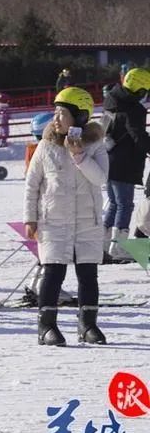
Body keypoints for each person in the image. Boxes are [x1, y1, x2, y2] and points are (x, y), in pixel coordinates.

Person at [24, 87, 108, 346]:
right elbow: (32, 183)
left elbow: (100, 178)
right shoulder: (45, 146)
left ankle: (88, 325)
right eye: (55, 113)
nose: (56, 119)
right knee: (53, 273)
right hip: (53, 220)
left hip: (86, 221)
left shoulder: (95, 145)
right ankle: (46, 326)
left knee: (88, 274)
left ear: (81, 117)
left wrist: (79, 155)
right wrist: (30, 218)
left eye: (63, 114)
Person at [100, 67, 150, 260]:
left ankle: (103, 245)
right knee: (125, 205)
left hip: (108, 157)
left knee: (113, 203)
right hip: (124, 162)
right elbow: (137, 134)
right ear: (139, 90)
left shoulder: (112, 100)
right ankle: (118, 247)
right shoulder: (134, 109)